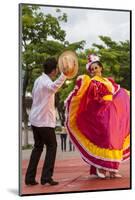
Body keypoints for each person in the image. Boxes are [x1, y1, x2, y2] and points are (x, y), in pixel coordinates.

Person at [65, 54, 130, 179]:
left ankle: (112, 170)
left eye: (96, 68)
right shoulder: (93, 82)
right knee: (105, 140)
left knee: (114, 140)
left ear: (101, 68)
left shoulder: (108, 81)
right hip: (101, 114)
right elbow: (92, 98)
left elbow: (118, 91)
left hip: (113, 114)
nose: (94, 70)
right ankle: (101, 167)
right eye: (92, 69)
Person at [25, 57, 67, 186]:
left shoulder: (39, 80)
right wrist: (64, 74)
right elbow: (54, 87)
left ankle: (30, 178)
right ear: (54, 70)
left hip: (35, 119)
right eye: (57, 70)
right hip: (43, 121)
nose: (57, 72)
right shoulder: (45, 82)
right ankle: (46, 177)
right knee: (52, 146)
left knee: (38, 148)